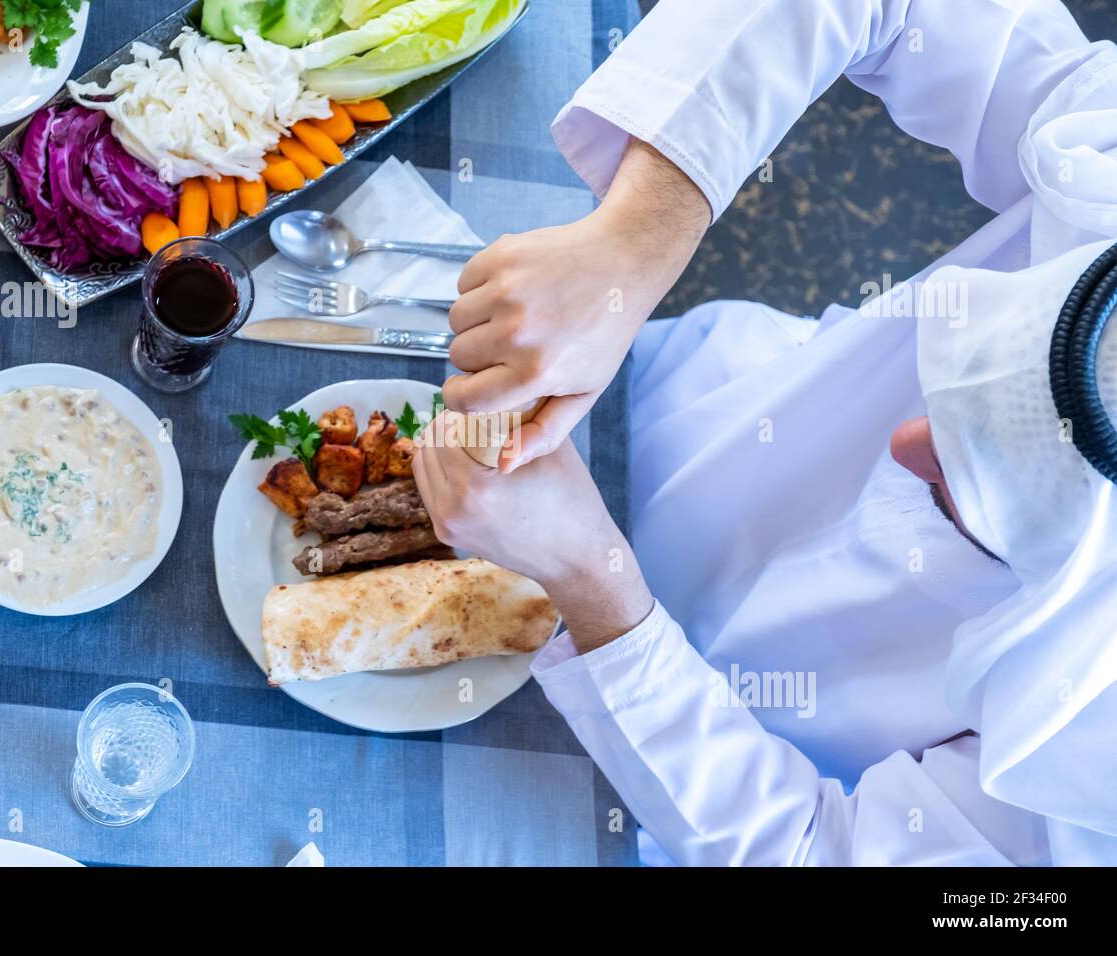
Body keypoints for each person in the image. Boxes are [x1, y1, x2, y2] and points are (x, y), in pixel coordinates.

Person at [412, 0, 1117, 865]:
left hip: (682, 766)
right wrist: (635, 242)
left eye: (973, 499)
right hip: (690, 411)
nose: (902, 447)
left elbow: (816, 850)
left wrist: (595, 587)